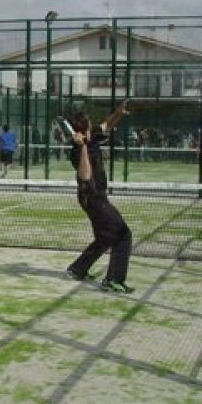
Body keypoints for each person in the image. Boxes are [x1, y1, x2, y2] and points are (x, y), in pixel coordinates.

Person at [66, 100, 134, 294]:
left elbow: (108, 124)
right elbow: (85, 176)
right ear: (82, 129)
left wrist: (118, 113)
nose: (92, 125)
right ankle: (113, 280)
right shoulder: (77, 150)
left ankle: (78, 268)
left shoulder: (92, 135)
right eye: (88, 123)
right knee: (123, 235)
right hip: (93, 199)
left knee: (105, 237)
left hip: (98, 197)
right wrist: (83, 148)